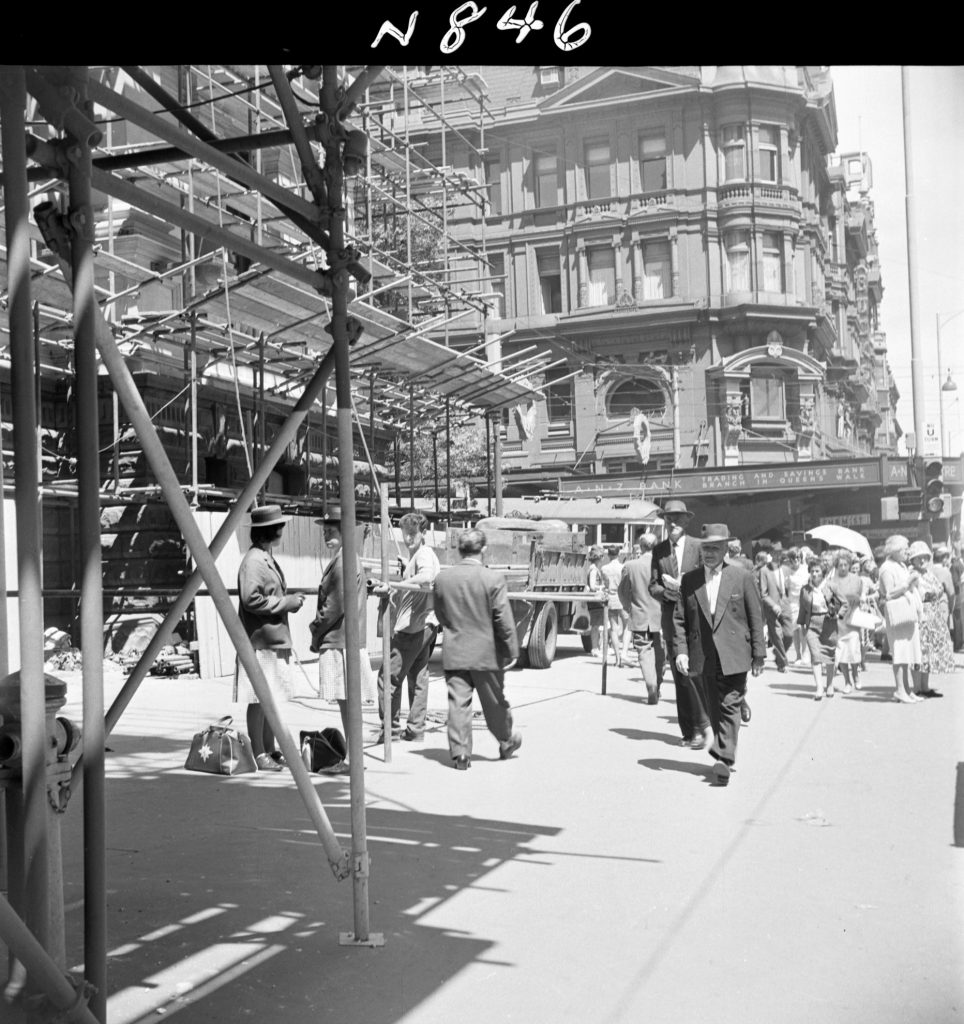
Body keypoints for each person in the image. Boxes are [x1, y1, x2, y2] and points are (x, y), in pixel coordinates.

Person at [673, 523, 765, 786]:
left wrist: (759, 654)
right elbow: (680, 619)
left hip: (735, 653)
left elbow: (755, 617)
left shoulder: (742, 577)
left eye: (715, 548)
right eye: (706, 548)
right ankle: (724, 750)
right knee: (714, 707)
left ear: (726, 548)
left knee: (730, 704)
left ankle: (724, 758)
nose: (709, 553)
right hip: (704, 655)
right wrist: (681, 651)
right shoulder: (690, 580)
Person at [432, 528, 522, 770]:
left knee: (458, 703)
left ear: (459, 550)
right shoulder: (493, 579)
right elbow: (503, 618)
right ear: (483, 550)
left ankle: (461, 754)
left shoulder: (442, 579)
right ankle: (506, 740)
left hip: (456, 651)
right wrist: (512, 649)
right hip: (486, 652)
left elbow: (440, 614)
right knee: (494, 702)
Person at [235, 504, 306, 772]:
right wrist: (285, 603)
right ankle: (259, 752)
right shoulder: (254, 561)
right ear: (272, 531)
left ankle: (270, 749)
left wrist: (286, 600)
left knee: (270, 698)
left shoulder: (264, 556)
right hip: (260, 642)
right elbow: (251, 598)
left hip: (270, 640)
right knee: (259, 699)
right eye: (280, 526)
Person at [312, 507, 376, 765]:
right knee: (347, 704)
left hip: (340, 641)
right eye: (325, 531)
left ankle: (354, 758)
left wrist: (315, 631)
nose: (326, 535)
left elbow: (333, 608)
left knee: (348, 704)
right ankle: (353, 755)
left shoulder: (343, 562)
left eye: (331, 531)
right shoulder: (348, 558)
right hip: (346, 639)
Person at [371, 512, 441, 742]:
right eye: (406, 534)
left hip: (415, 625)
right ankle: (415, 729)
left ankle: (390, 730)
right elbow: (419, 572)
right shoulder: (416, 556)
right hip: (427, 624)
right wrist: (406, 568)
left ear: (423, 534)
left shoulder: (424, 554)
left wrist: (399, 583)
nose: (409, 538)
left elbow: (427, 575)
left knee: (387, 677)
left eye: (413, 534)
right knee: (417, 676)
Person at [649, 499, 710, 748]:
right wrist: (668, 592)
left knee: (699, 673)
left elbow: (710, 578)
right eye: (668, 518)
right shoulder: (659, 550)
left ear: (687, 520)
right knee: (681, 674)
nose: (672, 522)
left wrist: (685, 585)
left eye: (677, 517)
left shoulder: (699, 547)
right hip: (672, 620)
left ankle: (704, 724)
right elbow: (653, 585)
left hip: (697, 618)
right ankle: (691, 731)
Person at [618, 532, 665, 704]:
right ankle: (657, 685)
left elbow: (622, 592)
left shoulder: (630, 566)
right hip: (661, 618)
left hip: (639, 617)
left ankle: (651, 687)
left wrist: (629, 607)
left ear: (641, 546)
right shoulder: (663, 565)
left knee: (645, 654)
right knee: (660, 655)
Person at [877, 534, 923, 704]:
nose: (907, 552)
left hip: (907, 613)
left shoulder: (901, 565)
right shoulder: (887, 568)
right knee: (899, 652)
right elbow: (888, 593)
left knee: (907, 653)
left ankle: (907, 690)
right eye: (904, 549)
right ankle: (899, 690)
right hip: (898, 615)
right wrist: (906, 584)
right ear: (895, 550)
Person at [908, 540, 953, 698]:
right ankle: (917, 688)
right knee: (918, 653)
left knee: (929, 654)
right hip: (920, 617)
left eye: (924, 557)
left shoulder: (929, 573)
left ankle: (925, 687)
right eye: (918, 557)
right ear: (912, 559)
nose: (922, 560)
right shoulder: (912, 574)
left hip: (933, 617)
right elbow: (915, 596)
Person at [797, 558, 840, 700]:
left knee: (828, 655)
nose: (814, 574)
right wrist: (802, 625)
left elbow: (844, 603)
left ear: (823, 573)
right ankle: (819, 687)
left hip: (828, 622)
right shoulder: (805, 590)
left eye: (817, 571)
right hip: (812, 624)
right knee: (815, 656)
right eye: (812, 571)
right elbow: (802, 610)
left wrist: (839, 614)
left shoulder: (831, 586)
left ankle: (830, 684)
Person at [824, 550, 863, 693]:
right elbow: (827, 599)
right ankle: (847, 681)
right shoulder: (831, 581)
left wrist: (855, 598)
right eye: (840, 565)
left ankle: (856, 675)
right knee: (842, 654)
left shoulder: (856, 579)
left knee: (853, 651)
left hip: (852, 620)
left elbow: (860, 598)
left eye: (846, 564)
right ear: (836, 566)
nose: (843, 567)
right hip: (838, 621)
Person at [759, 549, 793, 673]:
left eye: (780, 553)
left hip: (785, 604)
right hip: (772, 606)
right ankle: (783, 663)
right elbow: (763, 593)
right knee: (777, 635)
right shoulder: (764, 571)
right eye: (775, 553)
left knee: (789, 635)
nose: (778, 556)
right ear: (771, 554)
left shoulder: (786, 569)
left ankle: (778, 653)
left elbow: (789, 587)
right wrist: (773, 605)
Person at [600, 544, 627, 667]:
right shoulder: (623, 567)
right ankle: (624, 653)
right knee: (628, 626)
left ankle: (617, 658)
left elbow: (604, 584)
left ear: (608, 554)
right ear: (619, 554)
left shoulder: (604, 568)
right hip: (623, 598)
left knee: (613, 628)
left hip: (611, 598)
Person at [784, 548, 810, 665]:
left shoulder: (806, 570)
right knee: (795, 630)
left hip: (804, 601)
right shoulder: (787, 571)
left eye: (798, 557)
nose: (796, 560)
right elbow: (784, 588)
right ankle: (798, 655)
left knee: (803, 628)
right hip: (792, 602)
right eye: (793, 558)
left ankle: (805, 654)